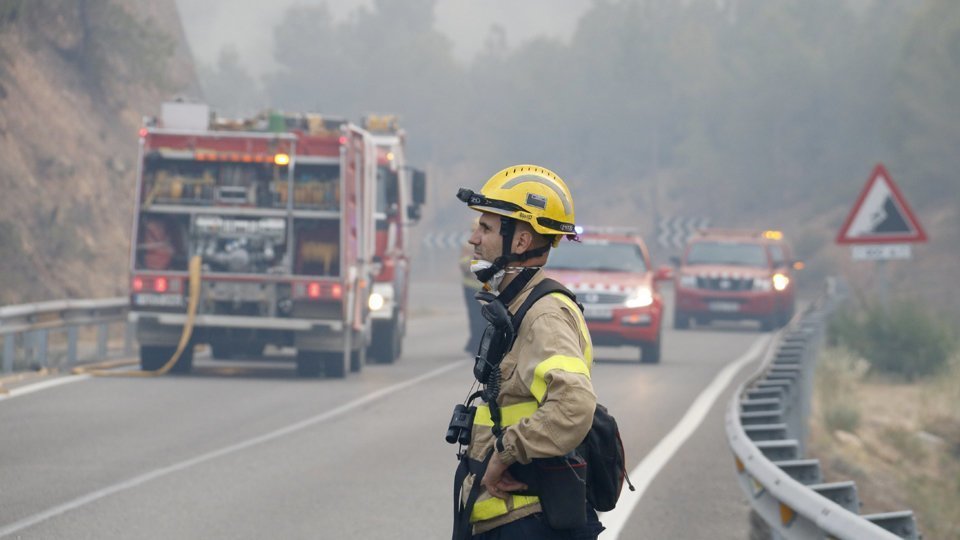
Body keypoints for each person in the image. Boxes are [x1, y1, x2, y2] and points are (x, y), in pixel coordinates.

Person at [450, 165, 603, 539]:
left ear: (520, 242)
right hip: (510, 522)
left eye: (485, 228)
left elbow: (574, 405)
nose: (473, 239)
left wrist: (505, 452)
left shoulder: (544, 315)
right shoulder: (517, 306)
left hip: (530, 523)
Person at [460, 218, 487, 355]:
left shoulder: (492, 244)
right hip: (471, 288)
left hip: (487, 289)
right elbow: (464, 265)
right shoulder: (468, 246)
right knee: (476, 318)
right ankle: (476, 346)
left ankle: (478, 345)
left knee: (484, 319)